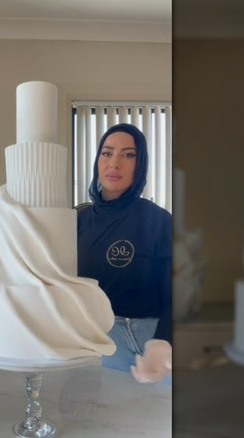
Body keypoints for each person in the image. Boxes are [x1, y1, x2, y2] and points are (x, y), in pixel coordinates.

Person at [76, 123, 172, 383]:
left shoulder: (159, 221)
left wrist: (164, 341)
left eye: (128, 155)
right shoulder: (77, 222)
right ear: (97, 161)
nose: (114, 163)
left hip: (154, 341)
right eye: (107, 153)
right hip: (103, 344)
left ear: (140, 165)